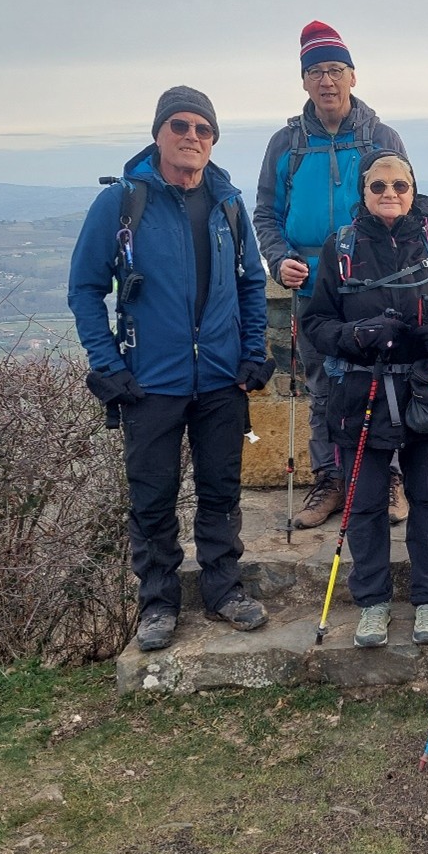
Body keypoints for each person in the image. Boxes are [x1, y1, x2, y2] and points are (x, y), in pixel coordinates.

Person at [68, 86, 273, 652]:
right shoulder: (122, 204)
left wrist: (252, 353)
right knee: (153, 497)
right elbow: (85, 289)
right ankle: (157, 604)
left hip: (220, 380)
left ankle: (223, 590)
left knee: (221, 490)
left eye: (204, 129)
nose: (192, 137)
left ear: (213, 140)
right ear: (158, 133)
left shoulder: (228, 203)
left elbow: (252, 283)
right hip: (148, 382)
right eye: (180, 126)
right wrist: (107, 365)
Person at [302, 151, 428, 647]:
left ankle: (427, 600)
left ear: (413, 189)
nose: (390, 195)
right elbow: (316, 323)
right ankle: (373, 603)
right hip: (361, 392)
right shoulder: (341, 248)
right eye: (379, 187)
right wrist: (356, 335)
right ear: (364, 192)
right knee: (364, 502)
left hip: (424, 390)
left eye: (400, 186)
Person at [253, 20, 410, 530]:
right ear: (303, 81)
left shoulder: (381, 137)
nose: (327, 80)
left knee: (383, 379)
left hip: (371, 283)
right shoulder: (286, 144)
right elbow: (266, 214)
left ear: (353, 77)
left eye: (335, 70)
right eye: (316, 71)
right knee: (321, 383)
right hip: (313, 283)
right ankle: (330, 478)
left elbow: (403, 207)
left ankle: (386, 477)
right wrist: (279, 259)